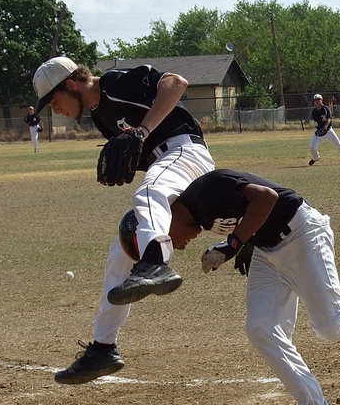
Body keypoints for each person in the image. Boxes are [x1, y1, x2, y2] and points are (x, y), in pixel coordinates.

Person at [165, 168, 340, 405]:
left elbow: (266, 198)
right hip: (267, 252)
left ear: (170, 216)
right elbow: (245, 212)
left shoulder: (206, 189)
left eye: (166, 239)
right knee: (261, 327)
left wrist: (234, 244)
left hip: (303, 235)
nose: (177, 247)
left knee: (331, 325)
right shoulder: (198, 214)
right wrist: (244, 240)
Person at [32, 56, 215, 384]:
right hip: (168, 166)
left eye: (54, 101)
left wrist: (142, 131)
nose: (54, 110)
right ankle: (103, 347)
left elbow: (176, 83)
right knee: (121, 252)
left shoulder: (114, 84)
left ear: (71, 85)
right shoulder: (100, 116)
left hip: (185, 153)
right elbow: (136, 151)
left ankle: (156, 262)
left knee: (149, 192)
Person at [308, 93, 340, 165]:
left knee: (338, 144)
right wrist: (318, 130)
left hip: (328, 130)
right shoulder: (314, 111)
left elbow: (329, 119)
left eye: (318, 99)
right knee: (312, 147)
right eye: (315, 100)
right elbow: (316, 122)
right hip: (319, 131)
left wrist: (325, 127)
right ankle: (315, 158)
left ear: (321, 100)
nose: (317, 101)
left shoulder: (325, 109)